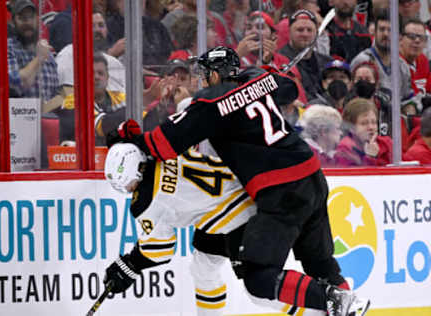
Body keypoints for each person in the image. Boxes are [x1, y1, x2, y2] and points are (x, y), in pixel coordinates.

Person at [108, 46, 370, 316]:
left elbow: (161, 144)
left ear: (216, 74)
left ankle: (339, 302)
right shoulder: (255, 78)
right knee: (321, 264)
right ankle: (345, 303)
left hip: (279, 188)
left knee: (259, 279)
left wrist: (131, 138)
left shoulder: (210, 102)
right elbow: (289, 90)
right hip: (311, 174)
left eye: (207, 74)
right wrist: (265, 77)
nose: (203, 80)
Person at [102, 142, 320, 316]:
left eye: (129, 185)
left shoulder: (149, 200)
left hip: (238, 218)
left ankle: (317, 311)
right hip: (230, 201)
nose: (129, 191)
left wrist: (130, 264)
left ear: (139, 171)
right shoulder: (162, 153)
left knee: (259, 291)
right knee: (203, 269)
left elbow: (160, 252)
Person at [0, 0, 59, 102]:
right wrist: (39, 59)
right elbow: (14, 86)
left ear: (38, 20)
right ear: (13, 22)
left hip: (46, 117)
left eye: (31, 17)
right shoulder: (4, 49)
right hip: (14, 116)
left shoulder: (48, 55)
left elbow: (54, 95)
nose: (27, 22)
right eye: (22, 18)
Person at [57, 52, 126, 146]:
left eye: (100, 73)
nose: (96, 77)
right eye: (91, 73)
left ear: (107, 78)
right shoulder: (72, 101)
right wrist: (143, 104)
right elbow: (103, 126)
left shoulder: (119, 97)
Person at [351, 9, 413, 102]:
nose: (386, 34)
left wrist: (411, 106)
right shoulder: (362, 61)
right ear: (374, 32)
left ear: (399, 36)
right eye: (381, 29)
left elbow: (407, 99)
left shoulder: (402, 66)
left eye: (390, 30)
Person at [279, 9, 333, 101]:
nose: (305, 34)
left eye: (309, 30)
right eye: (300, 30)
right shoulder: (279, 62)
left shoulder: (327, 62)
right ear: (289, 32)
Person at [335, 97, 392, 167]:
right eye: (364, 123)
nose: (371, 127)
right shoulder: (345, 149)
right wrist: (371, 157)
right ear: (351, 127)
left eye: (374, 122)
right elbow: (359, 176)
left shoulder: (386, 143)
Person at [399, 18, 431, 96]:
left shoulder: (423, 59)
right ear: (400, 39)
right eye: (411, 36)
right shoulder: (393, 63)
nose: (417, 40)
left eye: (421, 37)